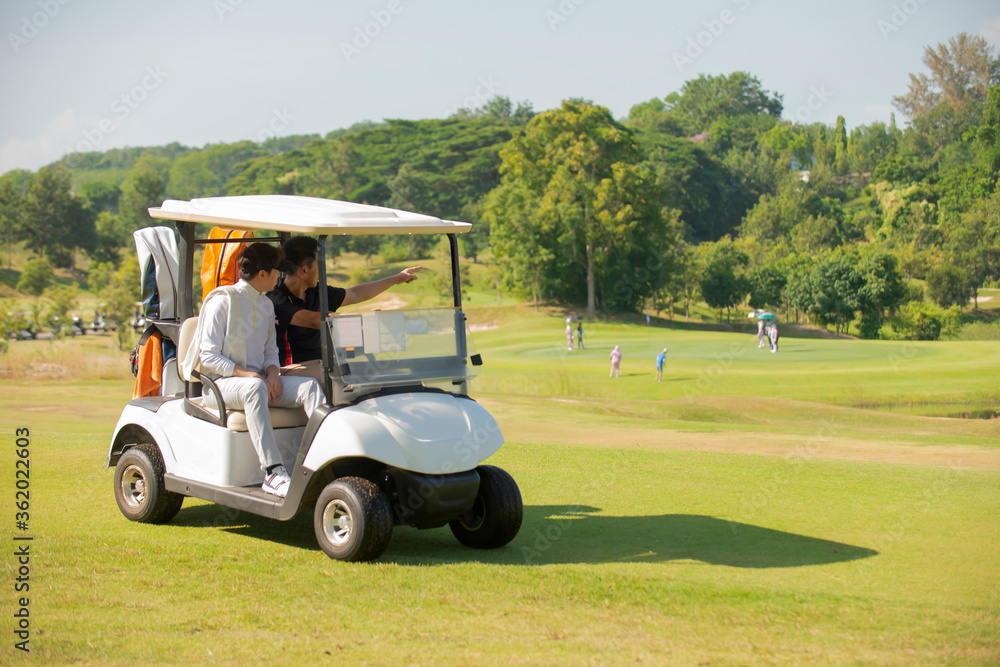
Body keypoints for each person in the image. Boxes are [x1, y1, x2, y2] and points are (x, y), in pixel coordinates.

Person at [190, 242, 326, 498]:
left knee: (310, 387)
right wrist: (249, 375)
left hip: (258, 383)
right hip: (220, 386)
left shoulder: (265, 305)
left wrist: (273, 373)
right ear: (262, 274)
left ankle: (321, 462)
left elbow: (269, 351)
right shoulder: (223, 301)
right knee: (254, 387)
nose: (280, 276)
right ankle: (273, 472)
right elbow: (208, 357)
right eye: (276, 271)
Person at [267, 236, 421, 381]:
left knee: (389, 376)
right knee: (345, 378)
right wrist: (365, 320)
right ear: (304, 270)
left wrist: (396, 278)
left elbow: (355, 294)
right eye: (318, 265)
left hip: (324, 366)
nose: (320, 271)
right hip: (292, 370)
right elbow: (315, 320)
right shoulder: (276, 299)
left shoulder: (316, 292)